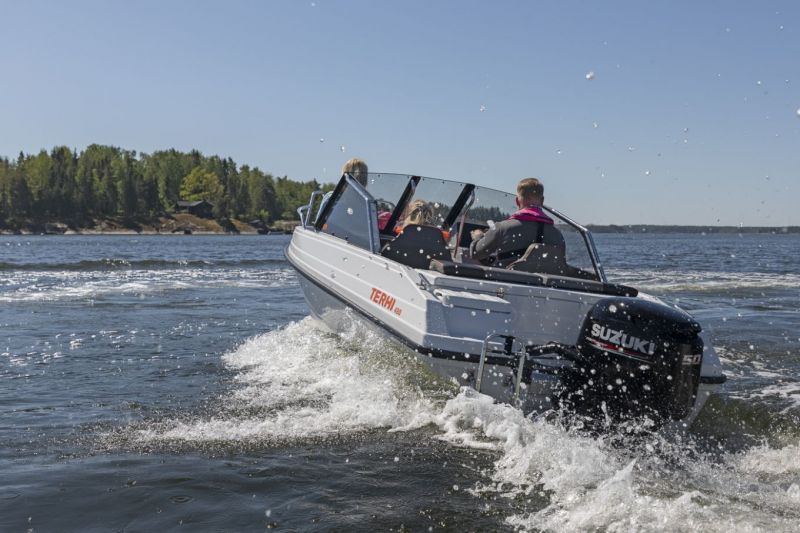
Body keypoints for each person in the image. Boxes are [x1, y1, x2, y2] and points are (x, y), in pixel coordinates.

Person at [469, 177, 564, 267]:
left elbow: (475, 254)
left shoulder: (502, 228)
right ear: (542, 201)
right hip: (540, 284)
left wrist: (478, 236)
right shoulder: (558, 236)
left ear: (517, 201)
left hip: (507, 282)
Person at [316, 158, 369, 224]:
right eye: (360, 177)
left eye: (363, 177)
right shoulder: (331, 198)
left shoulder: (366, 204)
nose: (362, 180)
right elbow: (318, 227)